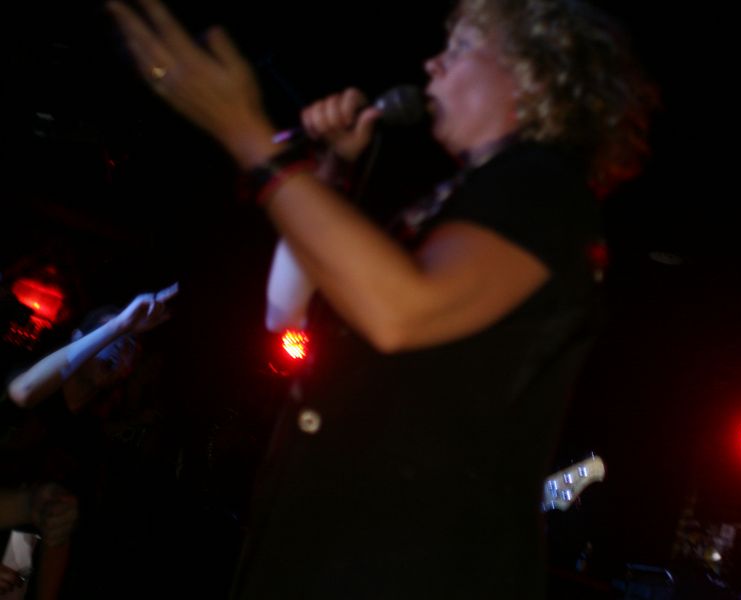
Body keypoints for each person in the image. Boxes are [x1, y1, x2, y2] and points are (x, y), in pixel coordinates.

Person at [106, 0, 657, 596]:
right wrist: (327, 173)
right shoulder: (451, 206)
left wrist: (247, 134)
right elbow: (284, 309)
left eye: (460, 48)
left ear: (536, 77)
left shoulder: (544, 193)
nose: (432, 65)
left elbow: (402, 312)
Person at [0, 283, 178, 598]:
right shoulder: (34, 387)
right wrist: (119, 325)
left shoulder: (91, 440)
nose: (119, 346)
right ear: (79, 339)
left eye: (129, 344)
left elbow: (52, 531)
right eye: (110, 335)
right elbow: (23, 392)